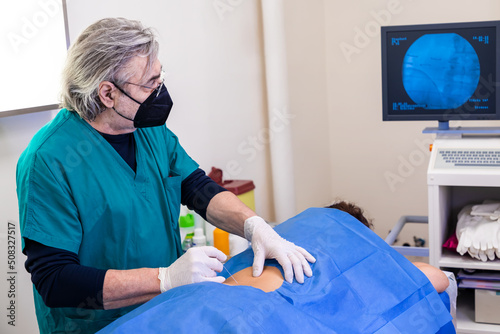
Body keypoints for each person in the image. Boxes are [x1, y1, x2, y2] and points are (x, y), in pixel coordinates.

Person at [16, 17, 315, 334]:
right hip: (101, 326)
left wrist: (254, 226)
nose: (160, 90)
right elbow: (55, 279)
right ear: (107, 93)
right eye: (149, 83)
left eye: (160, 77)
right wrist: (164, 278)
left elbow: (197, 187)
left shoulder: (149, 130)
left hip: (167, 314)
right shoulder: (48, 160)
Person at [97, 205, 455, 334]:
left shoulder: (278, 243)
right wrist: (388, 260)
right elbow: (437, 278)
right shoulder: (349, 257)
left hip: (190, 306)